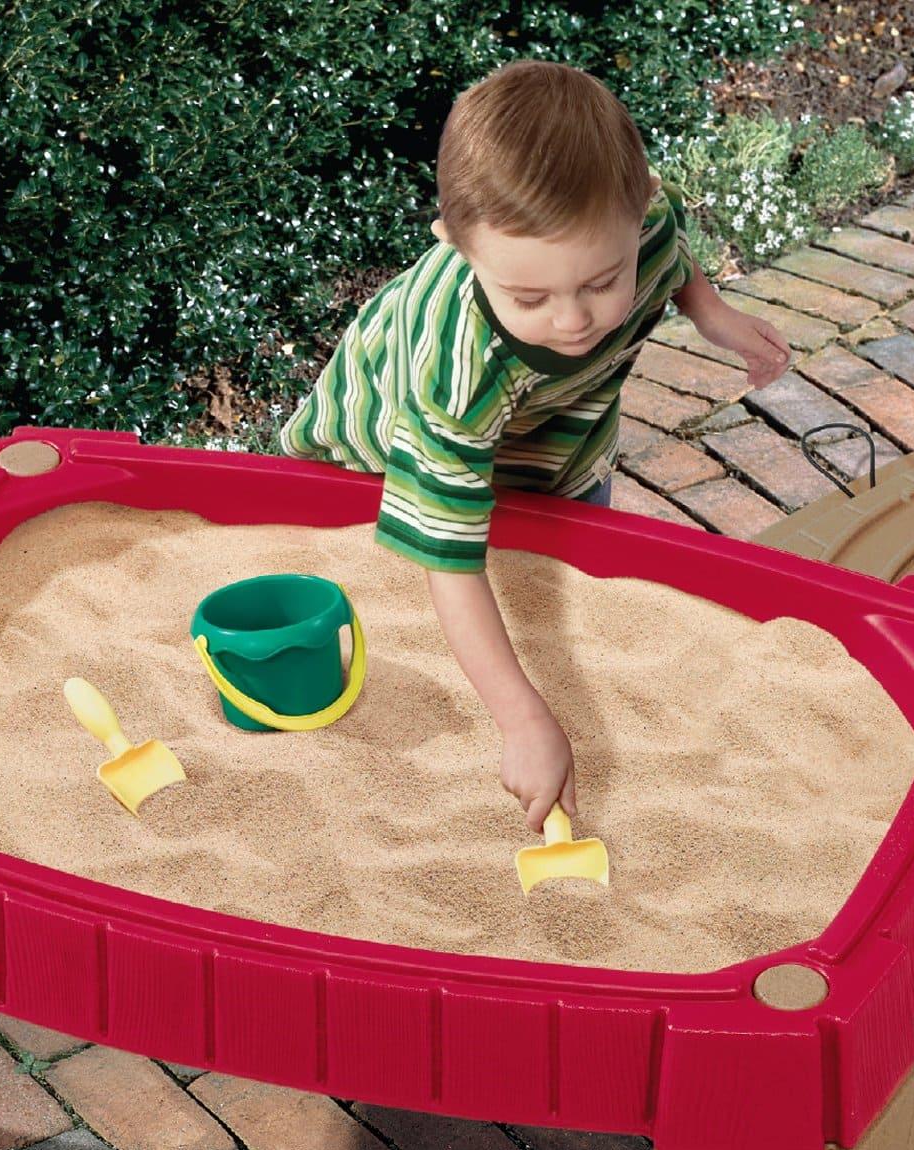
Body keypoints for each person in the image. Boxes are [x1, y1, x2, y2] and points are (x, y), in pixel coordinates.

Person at [279, 58, 791, 833]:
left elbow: (670, 252)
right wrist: (522, 720)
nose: (573, 319)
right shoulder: (457, 368)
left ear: (638, 210)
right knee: (431, 564)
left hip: (555, 431)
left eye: (601, 282)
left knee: (570, 555)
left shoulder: (640, 227)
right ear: (457, 246)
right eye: (530, 297)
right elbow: (448, 558)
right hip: (376, 451)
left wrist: (713, 315)